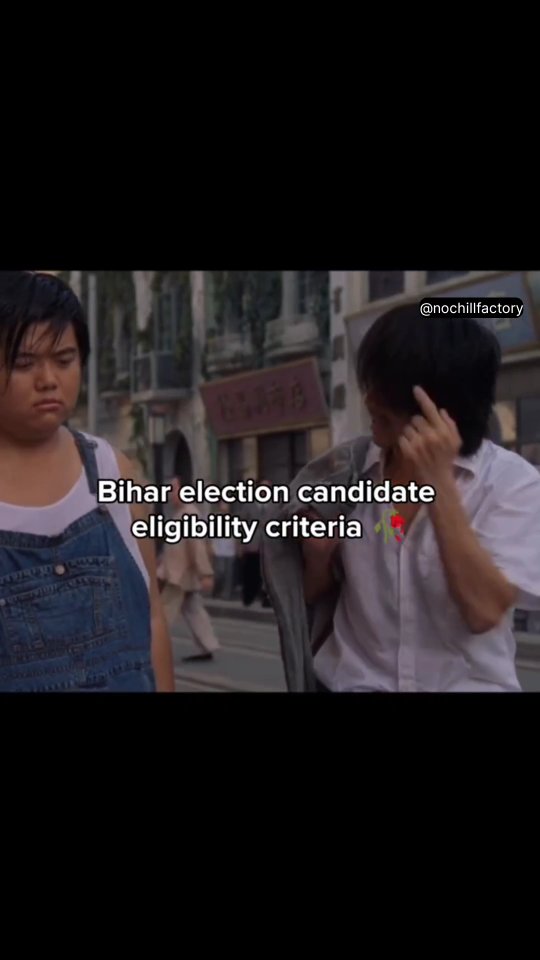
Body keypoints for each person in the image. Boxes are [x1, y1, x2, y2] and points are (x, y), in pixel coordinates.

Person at [267, 303, 540, 692]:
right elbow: (312, 596)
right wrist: (319, 557)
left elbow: (483, 611)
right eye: (370, 384)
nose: (369, 401)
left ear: (439, 404)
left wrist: (438, 483)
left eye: (387, 391)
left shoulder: (511, 484)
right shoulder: (344, 475)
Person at [0, 271, 175, 692]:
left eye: (64, 360)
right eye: (24, 363)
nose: (48, 379)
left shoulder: (114, 469)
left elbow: (152, 615)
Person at [157, 477, 220, 662]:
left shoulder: (189, 514)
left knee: (164, 611)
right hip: (179, 572)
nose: (170, 495)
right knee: (194, 610)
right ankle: (208, 645)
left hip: (180, 574)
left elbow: (196, 546)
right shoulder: (181, 513)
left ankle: (153, 647)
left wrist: (205, 573)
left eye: (173, 491)